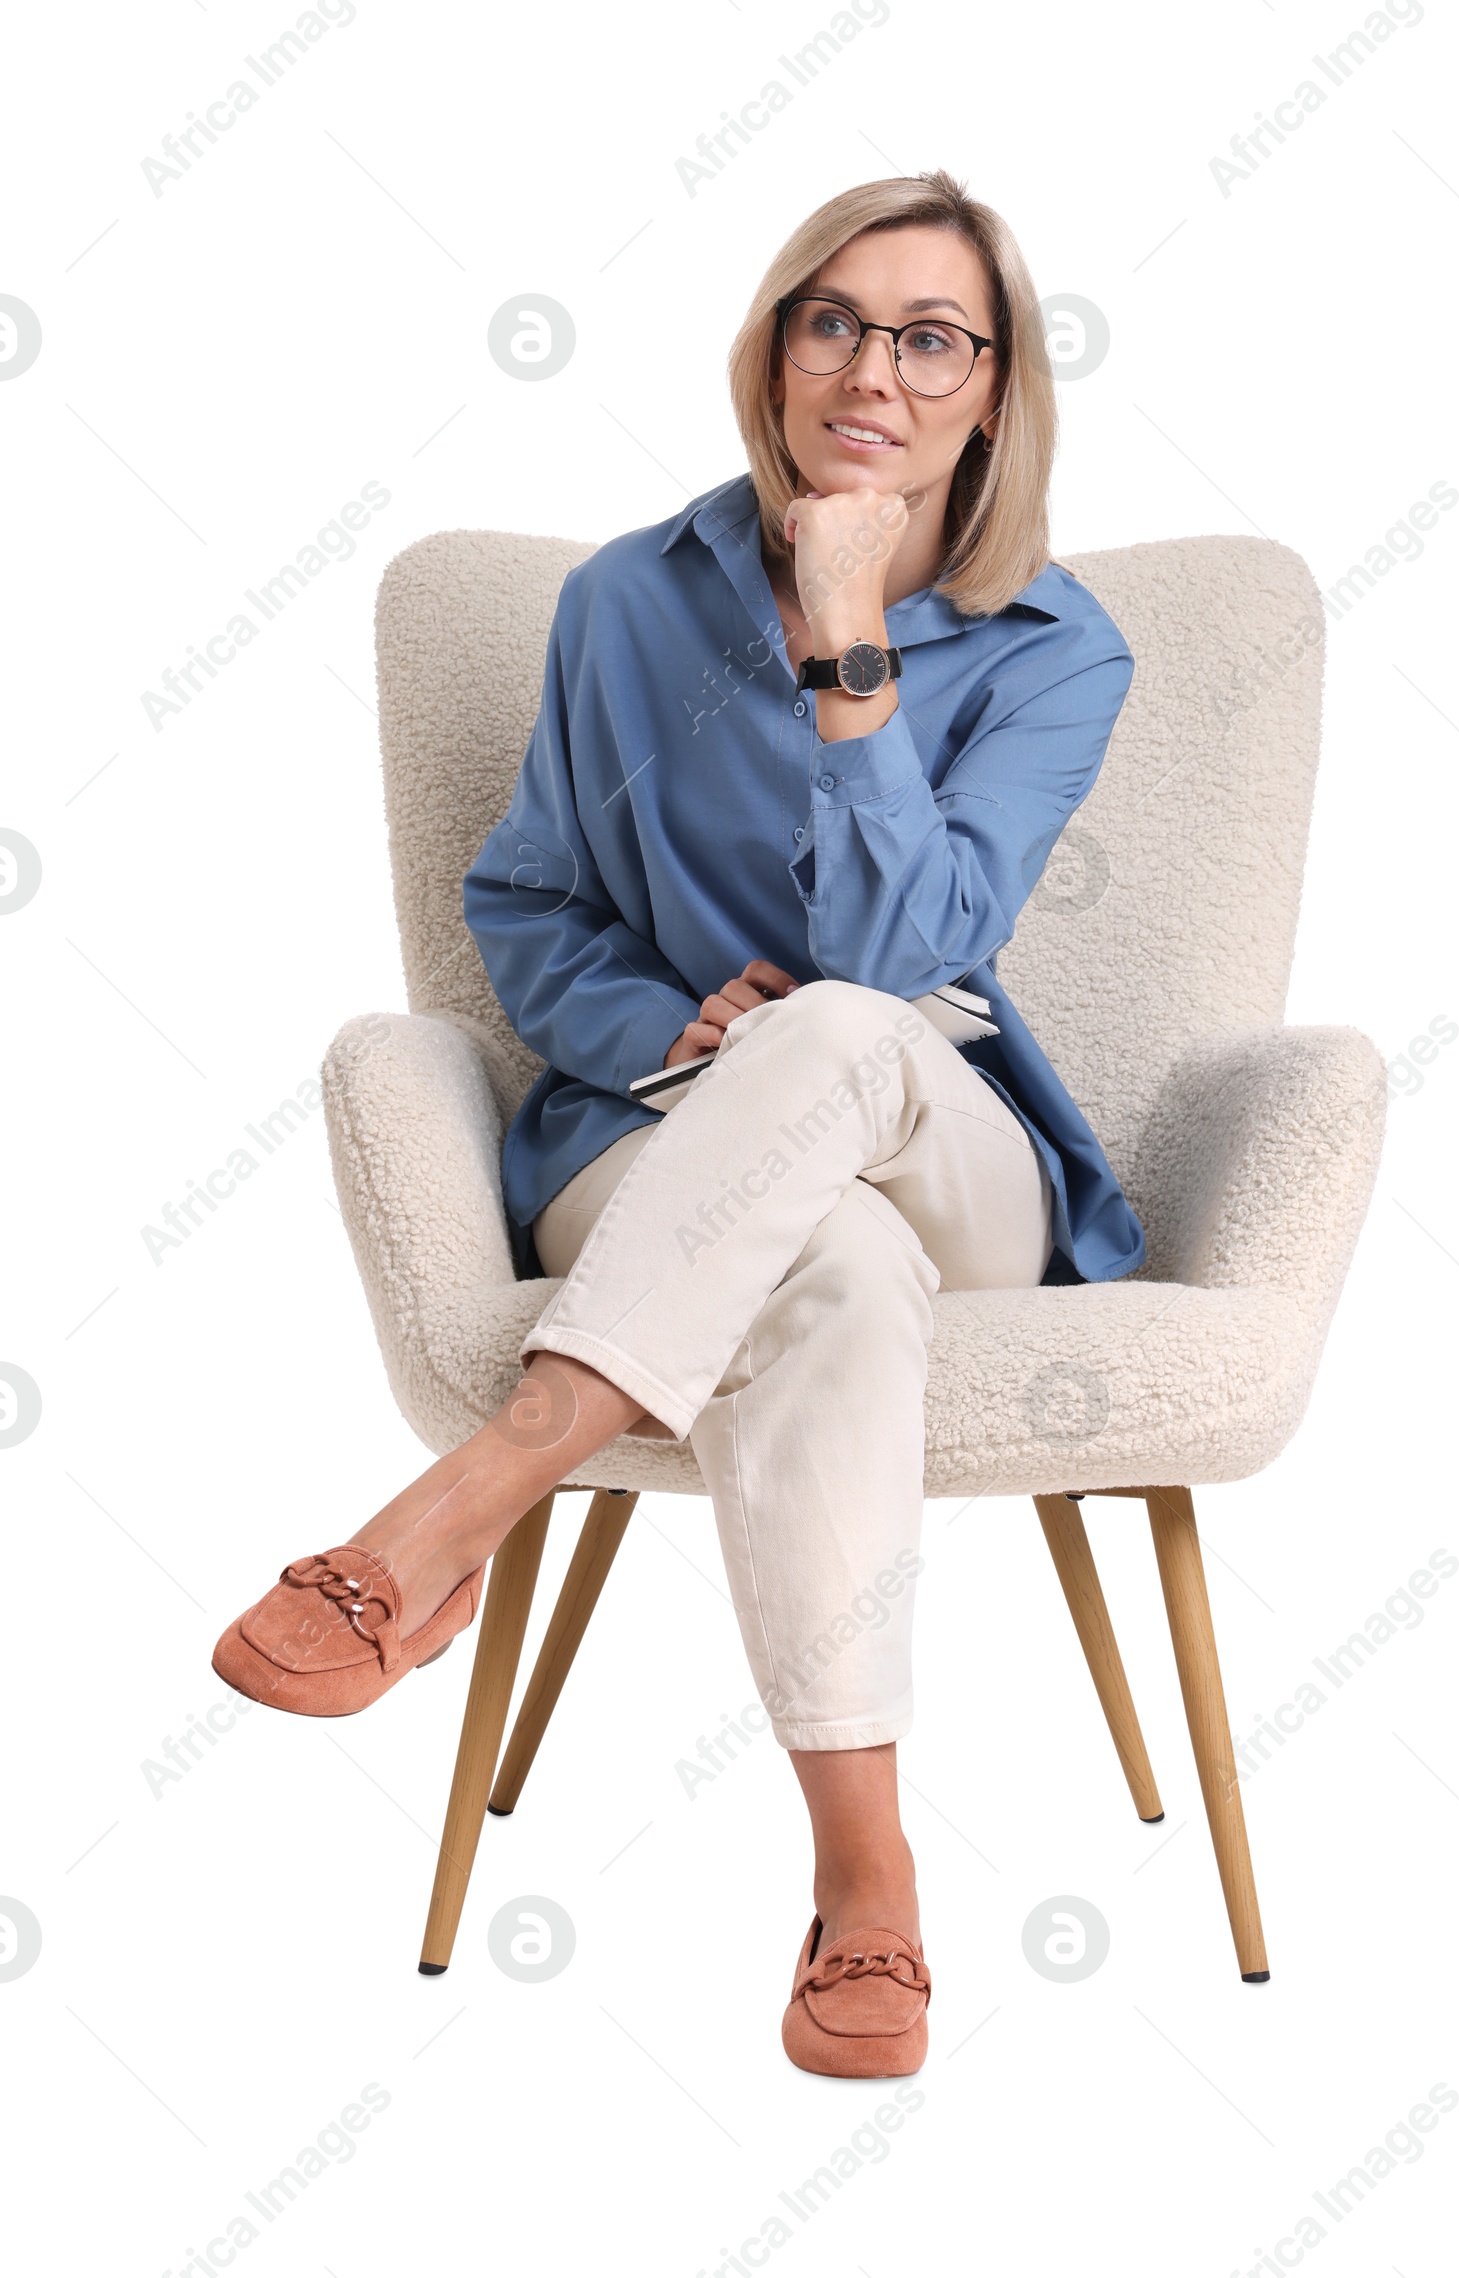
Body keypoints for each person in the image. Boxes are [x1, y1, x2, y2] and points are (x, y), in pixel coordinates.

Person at [214, 167, 1145, 2078]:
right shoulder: (624, 602)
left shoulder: (1059, 647)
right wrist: (664, 1031)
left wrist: (840, 634)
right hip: (662, 1136)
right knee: (831, 1270)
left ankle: (482, 1486)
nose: (873, 367)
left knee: (839, 1037)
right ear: (775, 343)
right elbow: (529, 903)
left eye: (931, 336)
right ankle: (867, 1881)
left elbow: (901, 951)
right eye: (834, 318)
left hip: (942, 1128)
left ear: (996, 388)